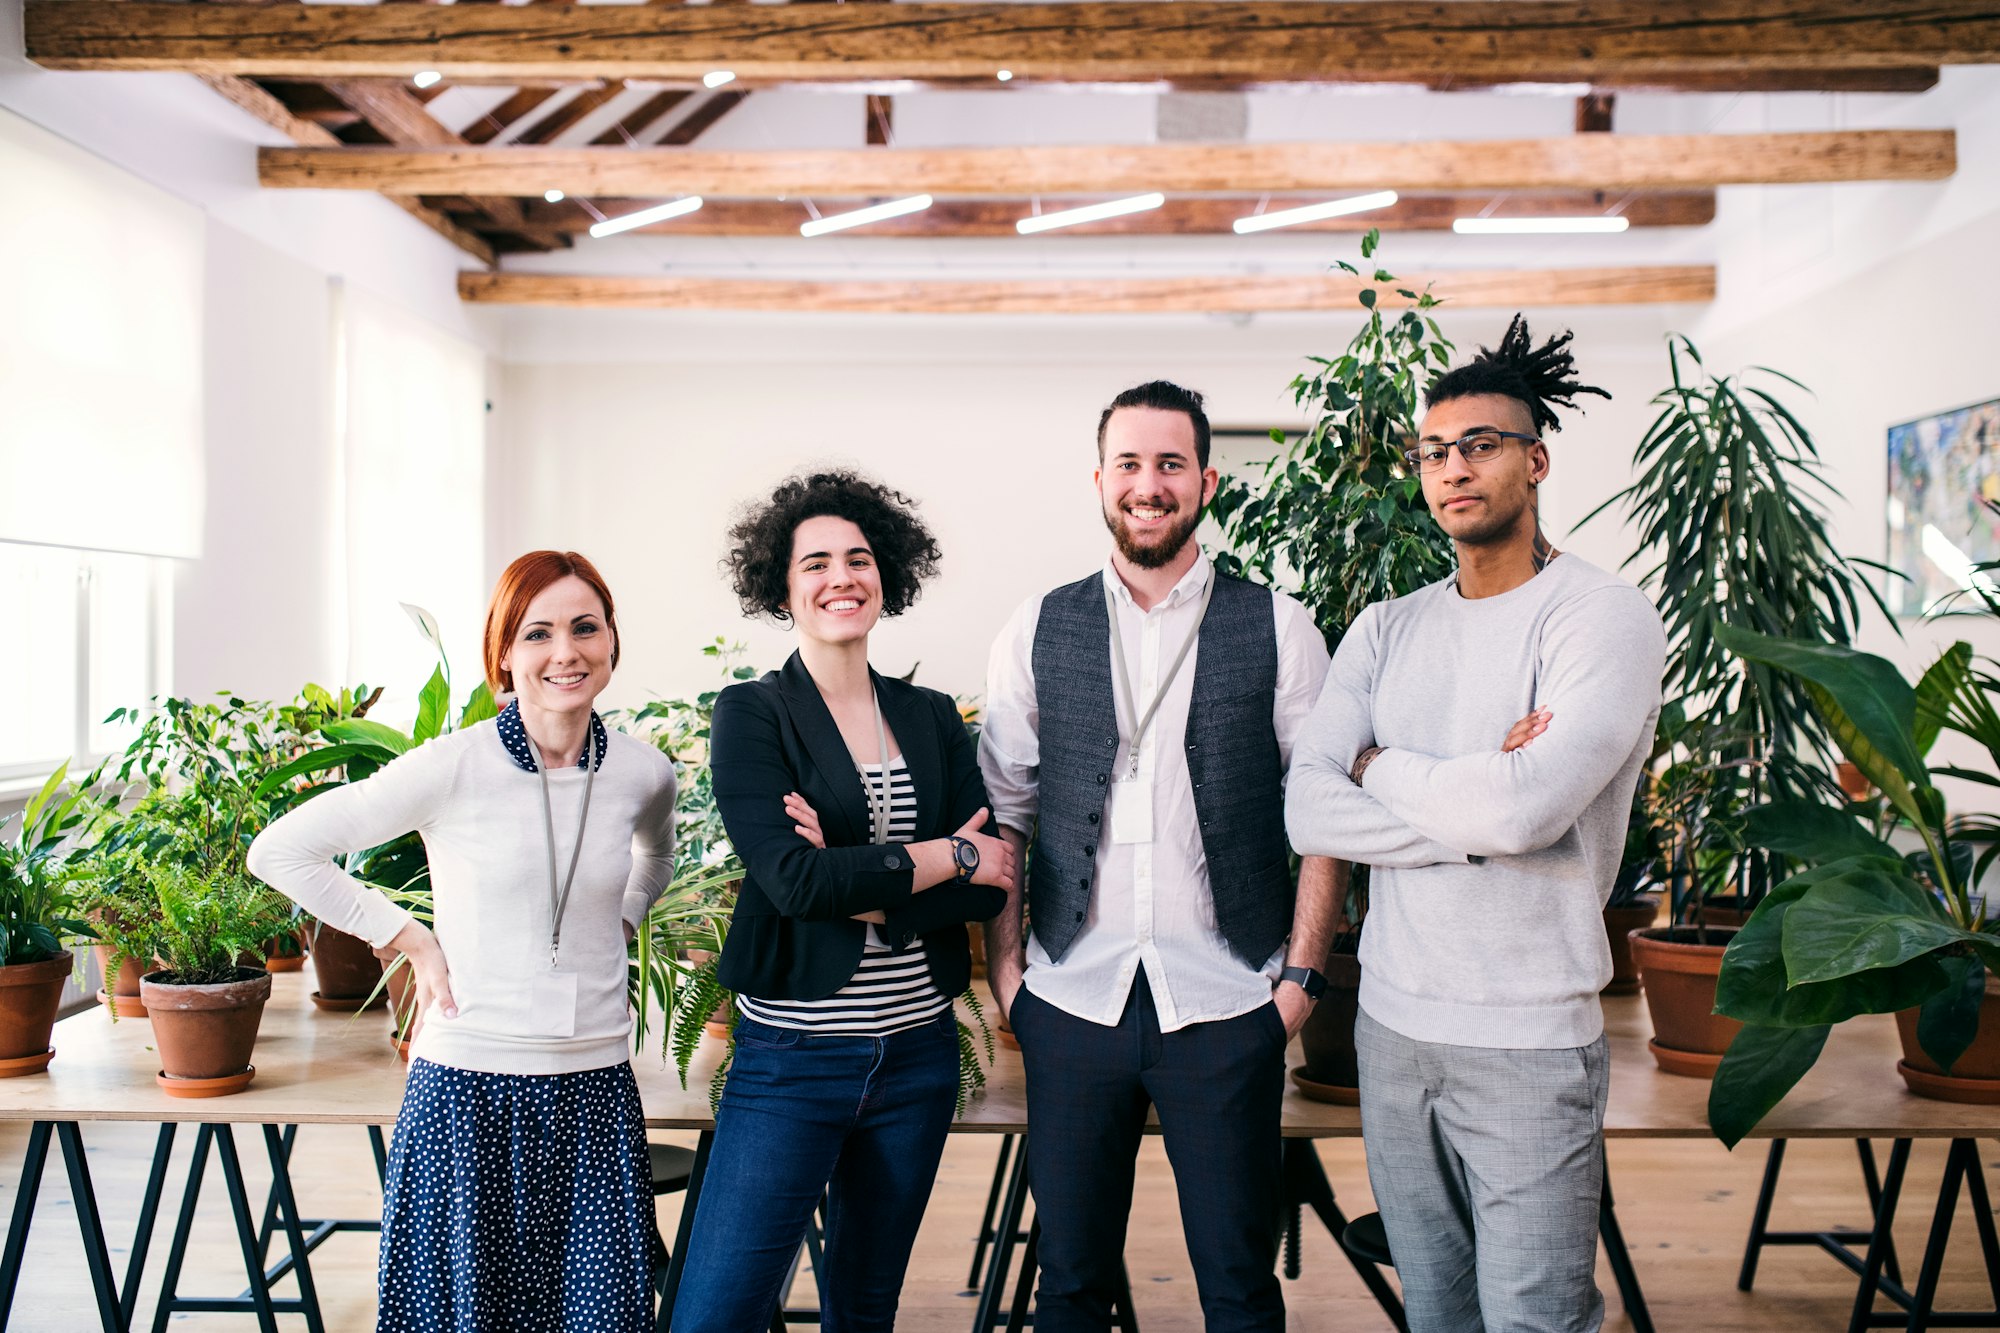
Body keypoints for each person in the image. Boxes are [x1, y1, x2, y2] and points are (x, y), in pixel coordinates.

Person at [1285, 316, 1666, 1333]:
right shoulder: (1384, 626)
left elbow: (1526, 806)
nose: (1453, 467)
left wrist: (1380, 768)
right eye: (1434, 451)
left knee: (1532, 1317)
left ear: (1534, 459)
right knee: (1438, 1312)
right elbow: (1305, 800)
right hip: (1393, 1027)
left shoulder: (1599, 617)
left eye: (1481, 444)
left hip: (1527, 1034)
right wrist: (1471, 803)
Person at [978, 380, 1338, 1333]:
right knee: (1069, 1287)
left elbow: (1324, 814)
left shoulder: (1279, 625)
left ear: (1206, 480)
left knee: (1239, 1288)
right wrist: (1009, 977)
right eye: (1130, 463)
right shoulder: (1037, 624)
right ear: (1100, 480)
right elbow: (1006, 814)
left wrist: (1298, 980)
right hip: (1070, 999)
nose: (1149, 483)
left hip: (1228, 1003)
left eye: (1170, 463)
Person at [247, 551, 679, 1332]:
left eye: (585, 627)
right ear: (503, 655)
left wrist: (623, 914)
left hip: (594, 1090)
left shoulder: (645, 773)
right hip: (467, 1091)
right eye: (537, 632)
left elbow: (657, 852)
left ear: (612, 643)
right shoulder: (453, 766)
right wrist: (407, 936)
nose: (565, 651)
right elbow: (280, 850)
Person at [669, 469, 1016, 1333]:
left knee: (864, 1308)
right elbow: (792, 882)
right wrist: (948, 852)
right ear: (782, 587)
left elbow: (988, 889)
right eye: (815, 561)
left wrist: (860, 878)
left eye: (859, 559)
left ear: (886, 576)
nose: (841, 578)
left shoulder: (933, 715)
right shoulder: (753, 714)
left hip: (917, 1058)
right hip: (791, 1059)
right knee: (714, 1313)